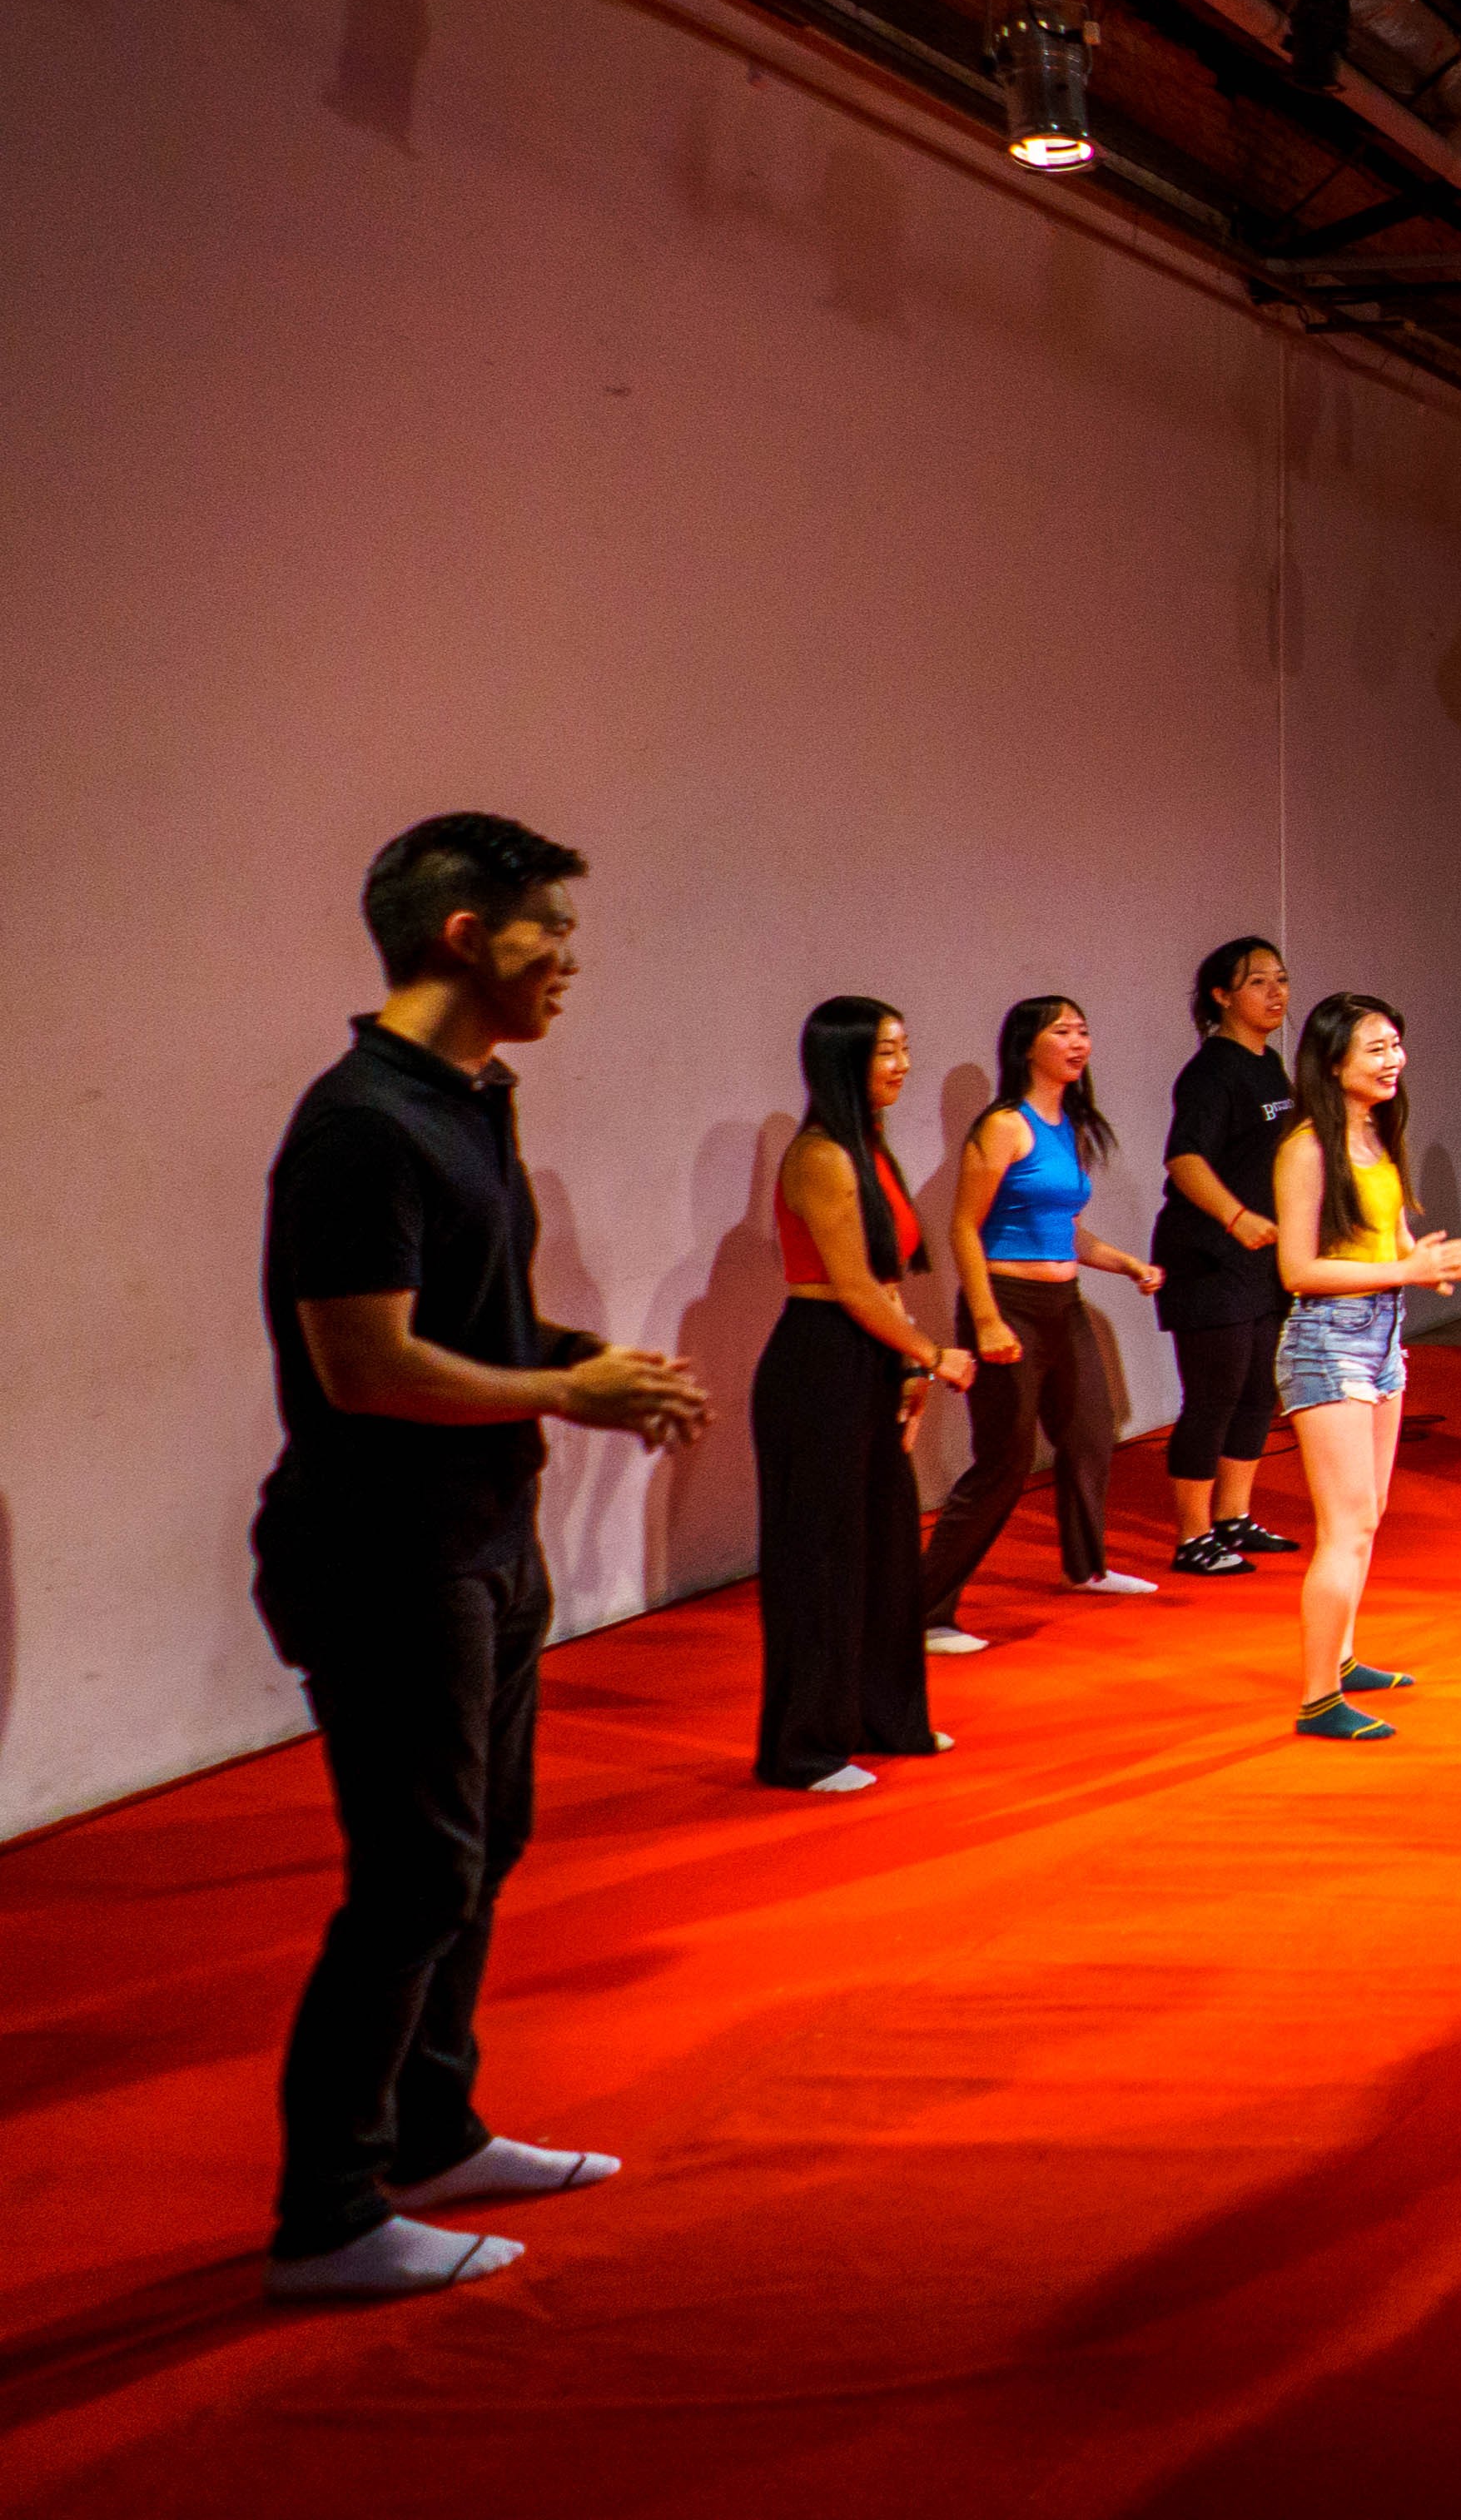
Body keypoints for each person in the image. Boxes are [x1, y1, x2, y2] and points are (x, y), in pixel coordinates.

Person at [256, 815, 706, 2299]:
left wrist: (583, 1359)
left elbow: (470, 1323)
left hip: (480, 1539)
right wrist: (568, 1392)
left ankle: (431, 2128)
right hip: (382, 1553)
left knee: (481, 1849)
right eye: (549, 934)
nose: (571, 962)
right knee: (413, 1875)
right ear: (464, 935)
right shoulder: (361, 1124)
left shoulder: (473, 1101)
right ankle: (326, 2215)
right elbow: (364, 1366)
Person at [754, 998, 965, 1797]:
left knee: (883, 1554)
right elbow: (848, 1286)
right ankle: (803, 1749)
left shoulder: (870, 1148)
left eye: (906, 1048)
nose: (903, 1066)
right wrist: (934, 1355)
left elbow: (887, 1279)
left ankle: (887, 1719)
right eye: (887, 1052)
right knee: (820, 1562)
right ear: (842, 1060)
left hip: (871, 1361)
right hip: (816, 1367)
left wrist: (911, 1370)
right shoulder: (819, 1155)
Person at [919, 997, 1163, 1649]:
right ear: (1028, 1045)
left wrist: (1126, 1264)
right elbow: (963, 1230)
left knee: (1089, 1432)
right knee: (1004, 1461)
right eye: (1063, 1031)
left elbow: (1065, 1232)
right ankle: (926, 1611)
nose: (1079, 1042)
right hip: (1008, 1306)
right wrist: (987, 1319)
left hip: (1064, 1305)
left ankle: (1087, 1567)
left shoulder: (1066, 1126)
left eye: (1085, 1030)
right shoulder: (1004, 1124)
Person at [1275, 992, 1461, 1737]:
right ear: (1334, 1063)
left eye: (1396, 1045)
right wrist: (1407, 1273)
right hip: (1327, 1341)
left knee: (1370, 1516)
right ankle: (1318, 1698)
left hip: (1380, 1337)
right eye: (1376, 1049)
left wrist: (1426, 1262)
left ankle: (1344, 1657)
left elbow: (1392, 1247)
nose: (1394, 1061)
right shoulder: (1307, 1147)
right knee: (1346, 1524)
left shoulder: (1375, 1136)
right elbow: (1298, 1269)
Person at [1155, 937, 1302, 1580]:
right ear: (1222, 996)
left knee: (1257, 1393)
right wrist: (1235, 1217)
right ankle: (1193, 1535)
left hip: (1265, 1257)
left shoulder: (1271, 1066)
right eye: (1258, 982)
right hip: (1209, 1256)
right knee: (1212, 1395)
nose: (1276, 994)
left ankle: (1233, 1516)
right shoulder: (1212, 1071)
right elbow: (1185, 1159)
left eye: (1281, 980)